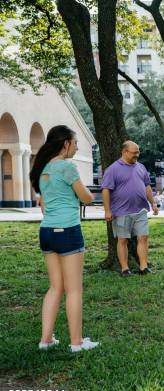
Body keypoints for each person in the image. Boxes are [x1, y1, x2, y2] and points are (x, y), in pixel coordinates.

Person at [29, 125, 100, 353]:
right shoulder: (67, 167)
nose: (77, 146)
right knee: (74, 289)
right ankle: (77, 343)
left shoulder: (42, 169)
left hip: (47, 231)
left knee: (55, 287)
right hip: (68, 231)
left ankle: (45, 340)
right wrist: (86, 194)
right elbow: (87, 198)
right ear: (65, 143)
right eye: (75, 142)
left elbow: (44, 204)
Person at [101, 141, 159, 277]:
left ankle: (143, 267)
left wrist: (153, 203)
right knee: (122, 240)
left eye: (138, 152)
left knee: (143, 237)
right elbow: (105, 190)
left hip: (140, 210)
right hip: (121, 212)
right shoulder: (113, 169)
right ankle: (125, 269)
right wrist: (107, 210)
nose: (137, 155)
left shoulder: (141, 167)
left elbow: (147, 187)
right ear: (125, 152)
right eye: (134, 152)